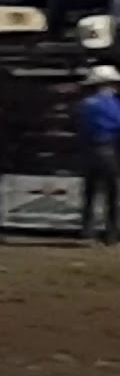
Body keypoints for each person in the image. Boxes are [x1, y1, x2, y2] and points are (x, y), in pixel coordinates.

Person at [78, 65, 120, 245]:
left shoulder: (85, 104)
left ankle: (88, 231)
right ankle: (111, 234)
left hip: (88, 150)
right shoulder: (112, 104)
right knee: (112, 193)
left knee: (90, 192)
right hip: (108, 149)